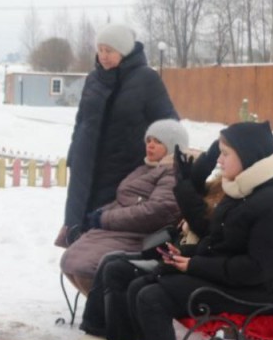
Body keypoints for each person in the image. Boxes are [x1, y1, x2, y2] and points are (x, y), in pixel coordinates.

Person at [69, 121, 273, 340]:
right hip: (233, 281)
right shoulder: (240, 192)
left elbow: (258, 268)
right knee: (140, 285)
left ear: (248, 156)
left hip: (258, 296)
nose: (219, 160)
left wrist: (195, 265)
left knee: (153, 296)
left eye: (225, 154)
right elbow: (217, 245)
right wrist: (183, 254)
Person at [57, 23, 177, 248]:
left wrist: (162, 158)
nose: (103, 56)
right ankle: (81, 276)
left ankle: (100, 278)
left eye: (109, 50)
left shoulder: (146, 80)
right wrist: (74, 155)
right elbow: (81, 120)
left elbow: (168, 124)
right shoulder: (93, 79)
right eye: (100, 49)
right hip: (86, 167)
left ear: (124, 51)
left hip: (125, 168)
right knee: (78, 229)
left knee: (108, 233)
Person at [59, 119, 187, 298]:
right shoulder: (147, 168)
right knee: (70, 260)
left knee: (83, 267)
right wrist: (100, 213)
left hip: (141, 236)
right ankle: (101, 310)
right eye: (149, 140)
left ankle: (110, 313)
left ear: (173, 146)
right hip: (121, 230)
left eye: (158, 142)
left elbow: (157, 211)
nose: (150, 145)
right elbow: (125, 200)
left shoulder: (171, 173)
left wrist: (105, 218)